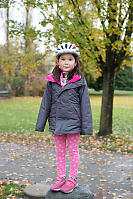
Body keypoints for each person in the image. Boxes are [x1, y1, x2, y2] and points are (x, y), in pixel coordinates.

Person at [35, 42, 93, 193]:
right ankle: (61, 177)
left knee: (73, 151)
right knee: (60, 151)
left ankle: (72, 179)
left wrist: (86, 127)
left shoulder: (80, 81)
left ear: (75, 62)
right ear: (57, 62)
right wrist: (41, 124)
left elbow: (85, 105)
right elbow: (45, 103)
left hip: (74, 122)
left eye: (70, 59)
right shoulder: (52, 81)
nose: (66, 62)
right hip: (57, 122)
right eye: (63, 59)